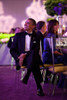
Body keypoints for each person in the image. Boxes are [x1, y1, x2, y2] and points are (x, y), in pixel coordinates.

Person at [10, 18, 44, 96]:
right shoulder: (18, 35)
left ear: (33, 26)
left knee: (33, 55)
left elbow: (36, 50)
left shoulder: (37, 36)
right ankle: (39, 88)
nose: (25, 24)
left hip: (31, 57)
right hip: (21, 59)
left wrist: (25, 54)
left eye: (28, 23)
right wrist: (19, 57)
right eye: (25, 23)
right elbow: (12, 50)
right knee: (34, 63)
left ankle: (28, 73)